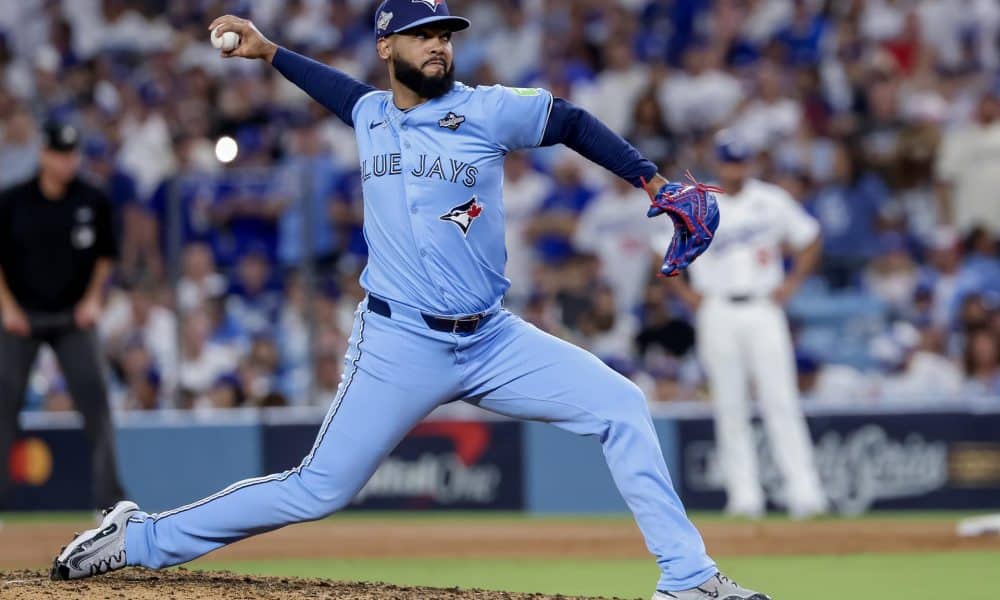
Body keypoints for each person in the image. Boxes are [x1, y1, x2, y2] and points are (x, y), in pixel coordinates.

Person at [52, 4, 769, 599]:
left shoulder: (485, 109)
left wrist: (652, 181)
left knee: (622, 406)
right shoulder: (369, 113)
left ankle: (687, 578)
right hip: (400, 343)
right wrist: (270, 52)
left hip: (492, 339)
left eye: (445, 35)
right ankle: (140, 537)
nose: (438, 45)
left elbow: (571, 121)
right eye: (423, 34)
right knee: (316, 489)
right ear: (387, 47)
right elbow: (335, 89)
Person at [665, 133, 828, 520]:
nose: (735, 169)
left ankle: (805, 493)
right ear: (717, 163)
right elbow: (664, 250)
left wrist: (792, 283)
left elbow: (810, 238)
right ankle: (744, 497)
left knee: (780, 399)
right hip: (717, 308)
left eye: (740, 162)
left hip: (763, 305)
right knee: (729, 403)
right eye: (729, 162)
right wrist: (687, 296)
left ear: (749, 163)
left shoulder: (771, 200)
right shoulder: (698, 202)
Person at [0, 120, 127, 509]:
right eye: (59, 154)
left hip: (74, 317)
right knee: (3, 403)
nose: (66, 162)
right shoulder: (13, 200)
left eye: (72, 155)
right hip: (21, 318)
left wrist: (93, 300)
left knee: (96, 400)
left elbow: (106, 256)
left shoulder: (92, 199)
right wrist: (7, 308)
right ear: (43, 154)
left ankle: (110, 502)